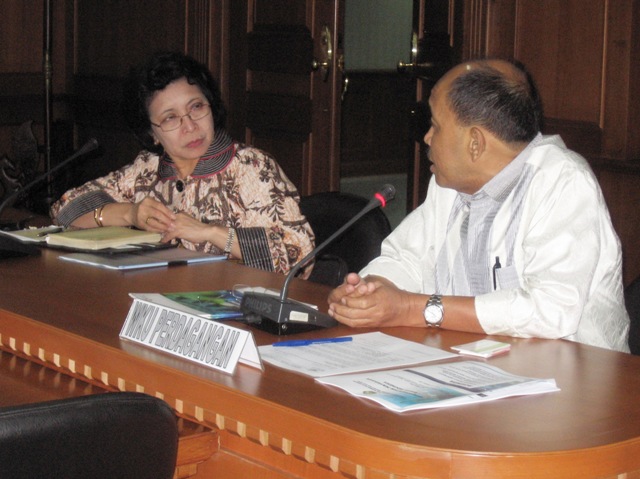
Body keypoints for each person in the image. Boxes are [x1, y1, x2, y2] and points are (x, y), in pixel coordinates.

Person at [328, 58, 630, 352]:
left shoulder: (563, 182)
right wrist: (370, 290)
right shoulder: (450, 184)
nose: (428, 137)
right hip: (469, 365)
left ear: (475, 143)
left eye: (436, 126)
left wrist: (412, 309)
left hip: (569, 374)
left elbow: (551, 309)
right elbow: (408, 258)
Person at [50, 51, 314, 276]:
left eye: (196, 107)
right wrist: (130, 213)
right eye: (170, 118)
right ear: (152, 133)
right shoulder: (147, 169)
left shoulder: (251, 167)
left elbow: (300, 253)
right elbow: (65, 209)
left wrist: (211, 233)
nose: (190, 126)